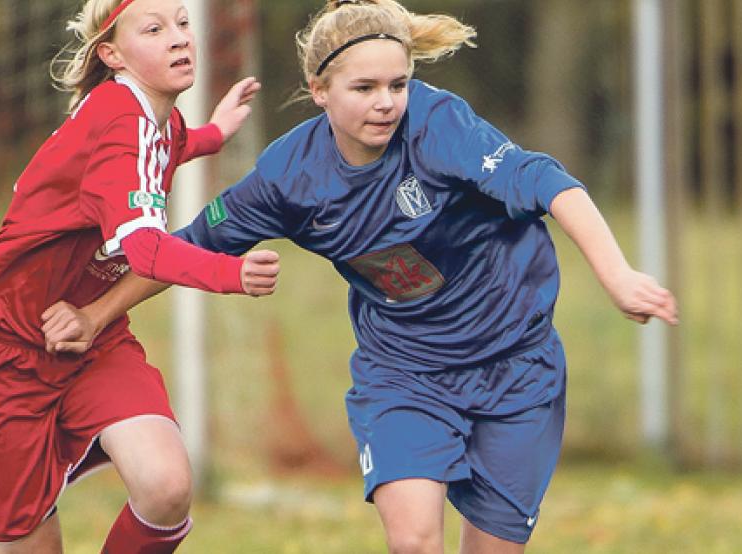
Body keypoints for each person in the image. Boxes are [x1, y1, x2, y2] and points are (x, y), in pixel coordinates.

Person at [43, 0, 679, 552]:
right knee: (411, 539)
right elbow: (186, 246)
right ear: (320, 92)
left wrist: (618, 275)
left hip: (517, 367)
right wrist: (95, 315)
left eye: (398, 85)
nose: (387, 103)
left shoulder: (437, 123)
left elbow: (548, 182)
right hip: (405, 371)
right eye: (365, 88)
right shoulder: (289, 177)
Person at [0, 0, 280, 552]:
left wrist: (214, 132)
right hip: (0, 350)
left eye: (183, 24)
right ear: (111, 54)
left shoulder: (150, 115)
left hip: (88, 338)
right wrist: (231, 271)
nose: (178, 38)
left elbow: (170, 147)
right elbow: (145, 251)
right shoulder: (122, 122)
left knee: (166, 485)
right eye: (154, 29)